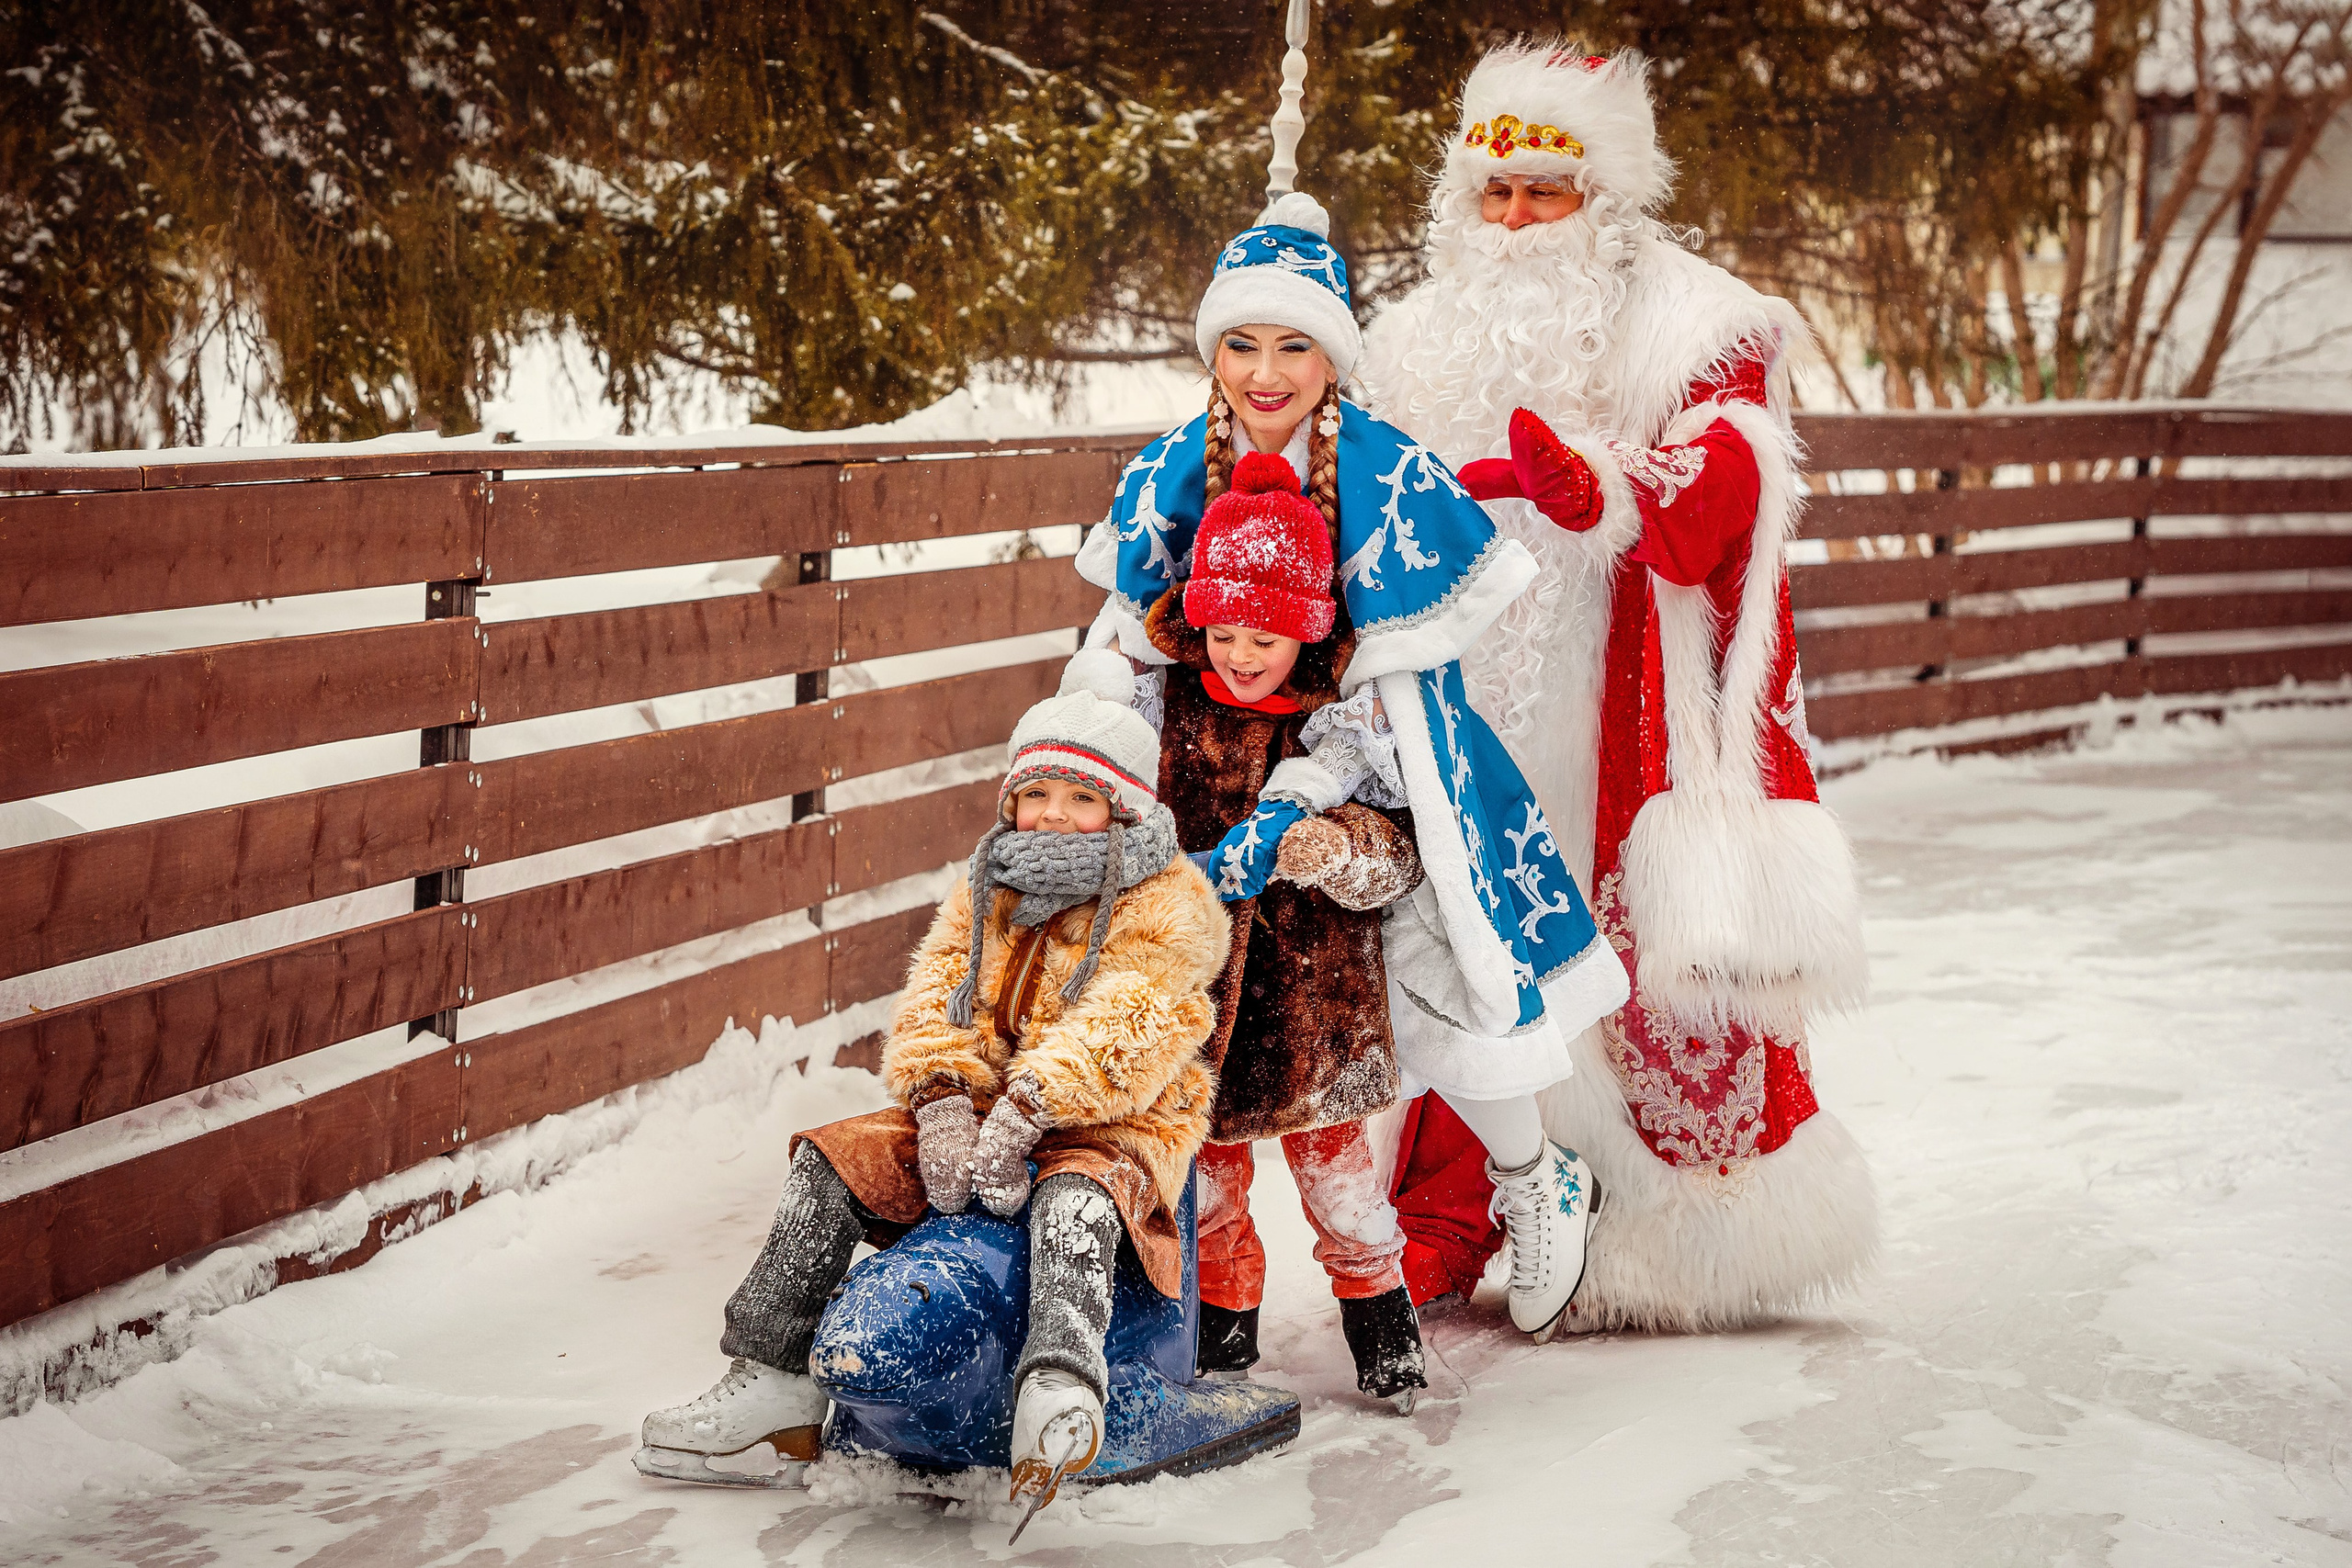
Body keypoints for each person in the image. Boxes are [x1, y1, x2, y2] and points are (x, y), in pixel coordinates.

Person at [1356, 42, 1879, 1332]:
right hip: (1457, 692)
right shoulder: (1408, 339)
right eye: (1497, 193)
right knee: (1453, 935)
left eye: (1548, 191)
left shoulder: (1692, 322)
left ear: (1607, 194)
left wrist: (1613, 489)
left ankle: (1655, 1228)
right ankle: (1457, 1208)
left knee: (1601, 951)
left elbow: (1739, 472)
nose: (1518, 221)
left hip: (1620, 701)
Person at [1073, 188, 1631, 1348]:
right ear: (1212, 349)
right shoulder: (1178, 465)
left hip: (1378, 761)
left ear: (1332, 357)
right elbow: (1121, 642)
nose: (1264, 373)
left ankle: (1535, 1175)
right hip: (1215, 771)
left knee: (1437, 972)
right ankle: (1158, 1267)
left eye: (1293, 346)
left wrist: (1336, 788)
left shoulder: (1384, 470)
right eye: (1241, 344)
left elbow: (1404, 677)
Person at [638, 666, 1228, 1517]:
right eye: (1037, 791)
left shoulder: (1169, 903)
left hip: (1113, 1125)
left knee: (1074, 1203)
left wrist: (1030, 1106)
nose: (1054, 813)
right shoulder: (991, 884)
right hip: (985, 1112)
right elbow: (938, 990)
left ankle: (1059, 1387)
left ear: (1126, 808)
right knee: (831, 1162)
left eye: (1080, 795)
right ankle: (773, 1386)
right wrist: (946, 1100)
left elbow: (1134, 1024)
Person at [1128, 447, 1430, 1408]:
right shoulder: (1163, 706)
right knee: (1207, 1193)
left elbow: (1402, 856)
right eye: (1224, 631)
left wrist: (1331, 849)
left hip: (1314, 1010)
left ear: (1306, 631)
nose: (1243, 654)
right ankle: (1222, 1336)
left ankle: (1384, 1332)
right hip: (1198, 1008)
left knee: (1341, 1191)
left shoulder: (1343, 719)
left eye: (1268, 635)